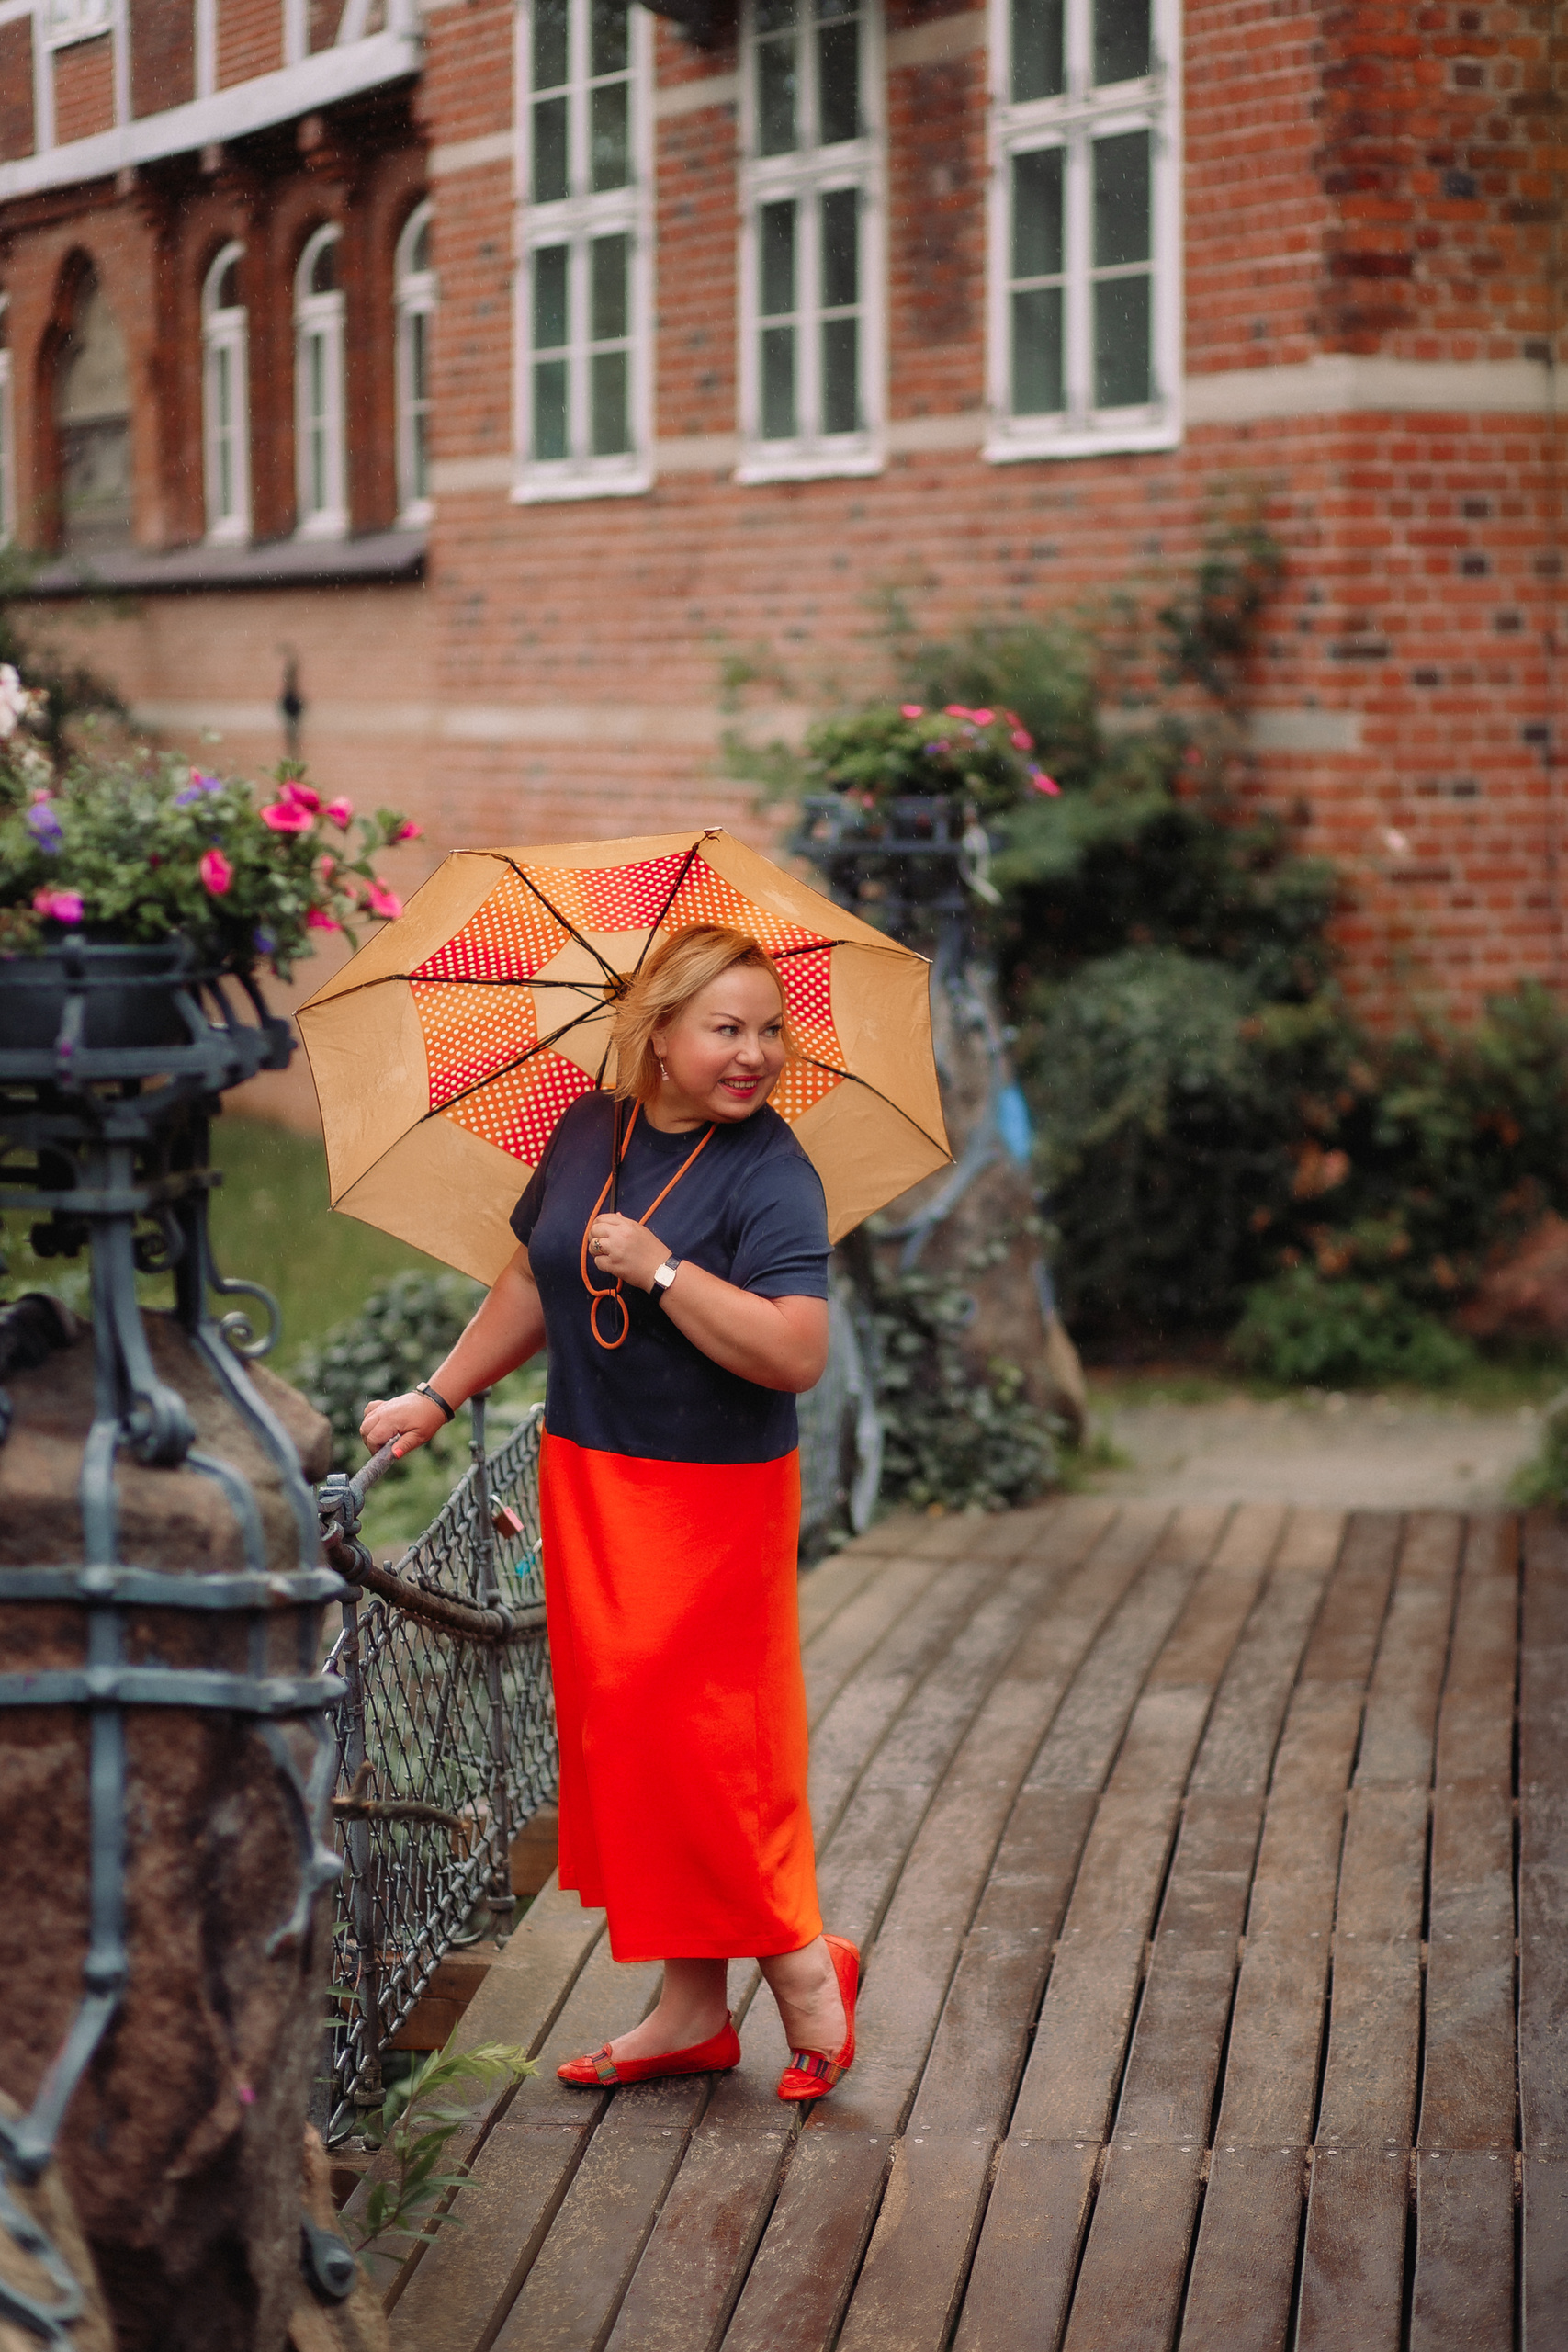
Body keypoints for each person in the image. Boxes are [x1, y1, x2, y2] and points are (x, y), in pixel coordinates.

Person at [359, 923, 857, 2099]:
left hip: (712, 1496)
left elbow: (797, 1352)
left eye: (768, 1028)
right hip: (593, 1474)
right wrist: (439, 1393)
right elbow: (533, 1273)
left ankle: (797, 1959)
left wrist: (664, 1271)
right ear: (659, 1035)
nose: (755, 1053)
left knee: (710, 1738)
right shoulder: (591, 1127)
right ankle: (691, 2009)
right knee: (626, 1735)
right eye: (726, 1029)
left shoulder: (774, 1168)